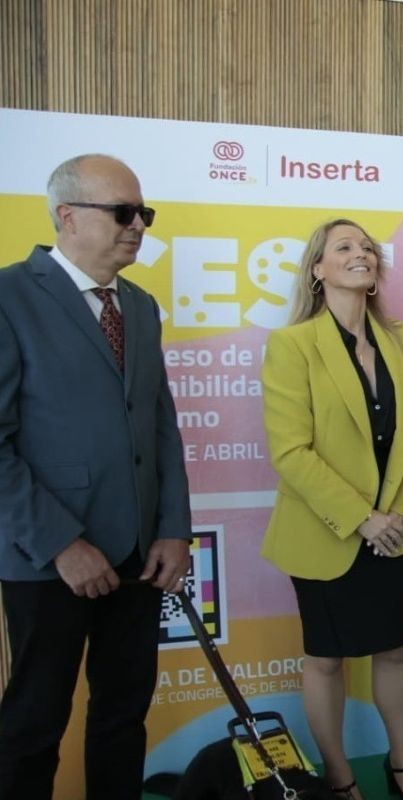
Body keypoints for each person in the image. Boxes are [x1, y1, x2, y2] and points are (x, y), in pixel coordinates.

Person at [0, 154, 192, 798]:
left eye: (143, 213)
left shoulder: (139, 306)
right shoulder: (8, 296)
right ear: (67, 216)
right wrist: (60, 543)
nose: (138, 224)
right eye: (122, 212)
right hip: (46, 559)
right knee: (34, 722)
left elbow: (160, 425)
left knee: (122, 715)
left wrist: (172, 531)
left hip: (139, 554)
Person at [261, 219, 403, 799]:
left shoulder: (401, 340)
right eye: (344, 248)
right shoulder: (292, 345)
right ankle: (339, 777)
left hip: (394, 531)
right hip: (326, 532)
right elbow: (291, 451)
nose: (361, 254)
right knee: (327, 660)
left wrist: (400, 514)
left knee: (393, 650)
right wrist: (363, 517)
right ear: (318, 270)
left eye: (367, 247)